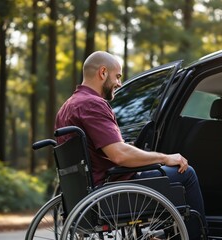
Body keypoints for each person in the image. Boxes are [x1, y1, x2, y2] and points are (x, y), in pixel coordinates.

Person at [55, 51, 206, 239]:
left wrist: (129, 147)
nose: (119, 83)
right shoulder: (93, 104)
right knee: (187, 174)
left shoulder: (67, 107)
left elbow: (101, 152)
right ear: (103, 72)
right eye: (117, 76)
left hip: (88, 192)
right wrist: (166, 157)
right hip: (111, 191)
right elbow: (119, 156)